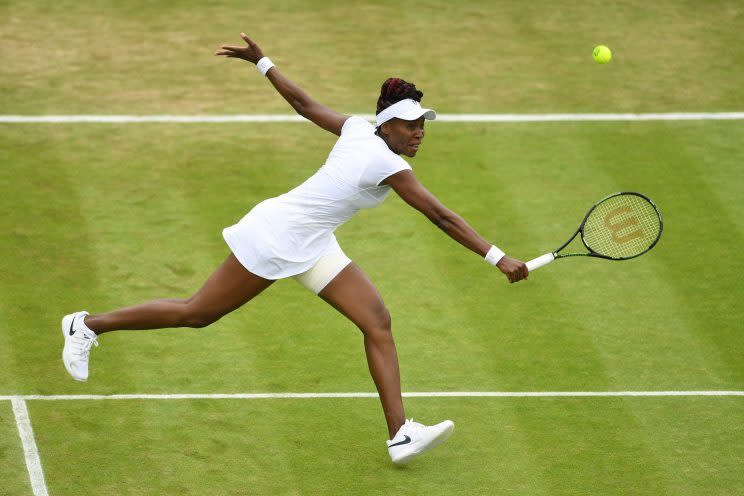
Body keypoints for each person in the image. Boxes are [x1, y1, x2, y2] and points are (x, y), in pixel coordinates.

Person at [61, 33, 529, 465]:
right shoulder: (383, 162)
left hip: (312, 243)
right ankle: (86, 325)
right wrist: (498, 257)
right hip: (275, 237)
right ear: (388, 127)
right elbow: (441, 215)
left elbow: (305, 104)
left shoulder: (357, 130)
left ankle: (400, 433)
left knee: (376, 320)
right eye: (410, 125)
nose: (419, 132)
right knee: (198, 313)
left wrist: (261, 61)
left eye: (422, 125)